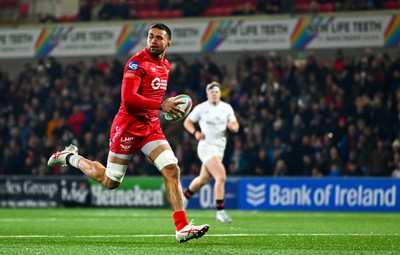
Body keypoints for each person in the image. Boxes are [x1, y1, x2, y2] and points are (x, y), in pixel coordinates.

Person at [47, 23, 209, 243]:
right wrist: (162, 106)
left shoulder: (166, 66)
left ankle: (181, 227)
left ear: (167, 43)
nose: (153, 40)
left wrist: (166, 113)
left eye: (158, 38)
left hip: (150, 127)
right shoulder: (136, 63)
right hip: (127, 127)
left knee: (172, 169)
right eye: (150, 36)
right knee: (110, 181)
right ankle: (69, 157)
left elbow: (151, 99)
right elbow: (129, 99)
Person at [182, 81, 239, 223]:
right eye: (211, 91)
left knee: (203, 179)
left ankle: (184, 198)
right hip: (206, 147)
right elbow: (187, 122)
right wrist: (195, 133)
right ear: (207, 94)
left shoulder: (227, 108)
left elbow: (235, 126)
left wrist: (233, 127)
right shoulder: (201, 108)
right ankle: (220, 212)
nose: (214, 94)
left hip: (220, 148)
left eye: (217, 91)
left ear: (220, 93)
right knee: (221, 176)